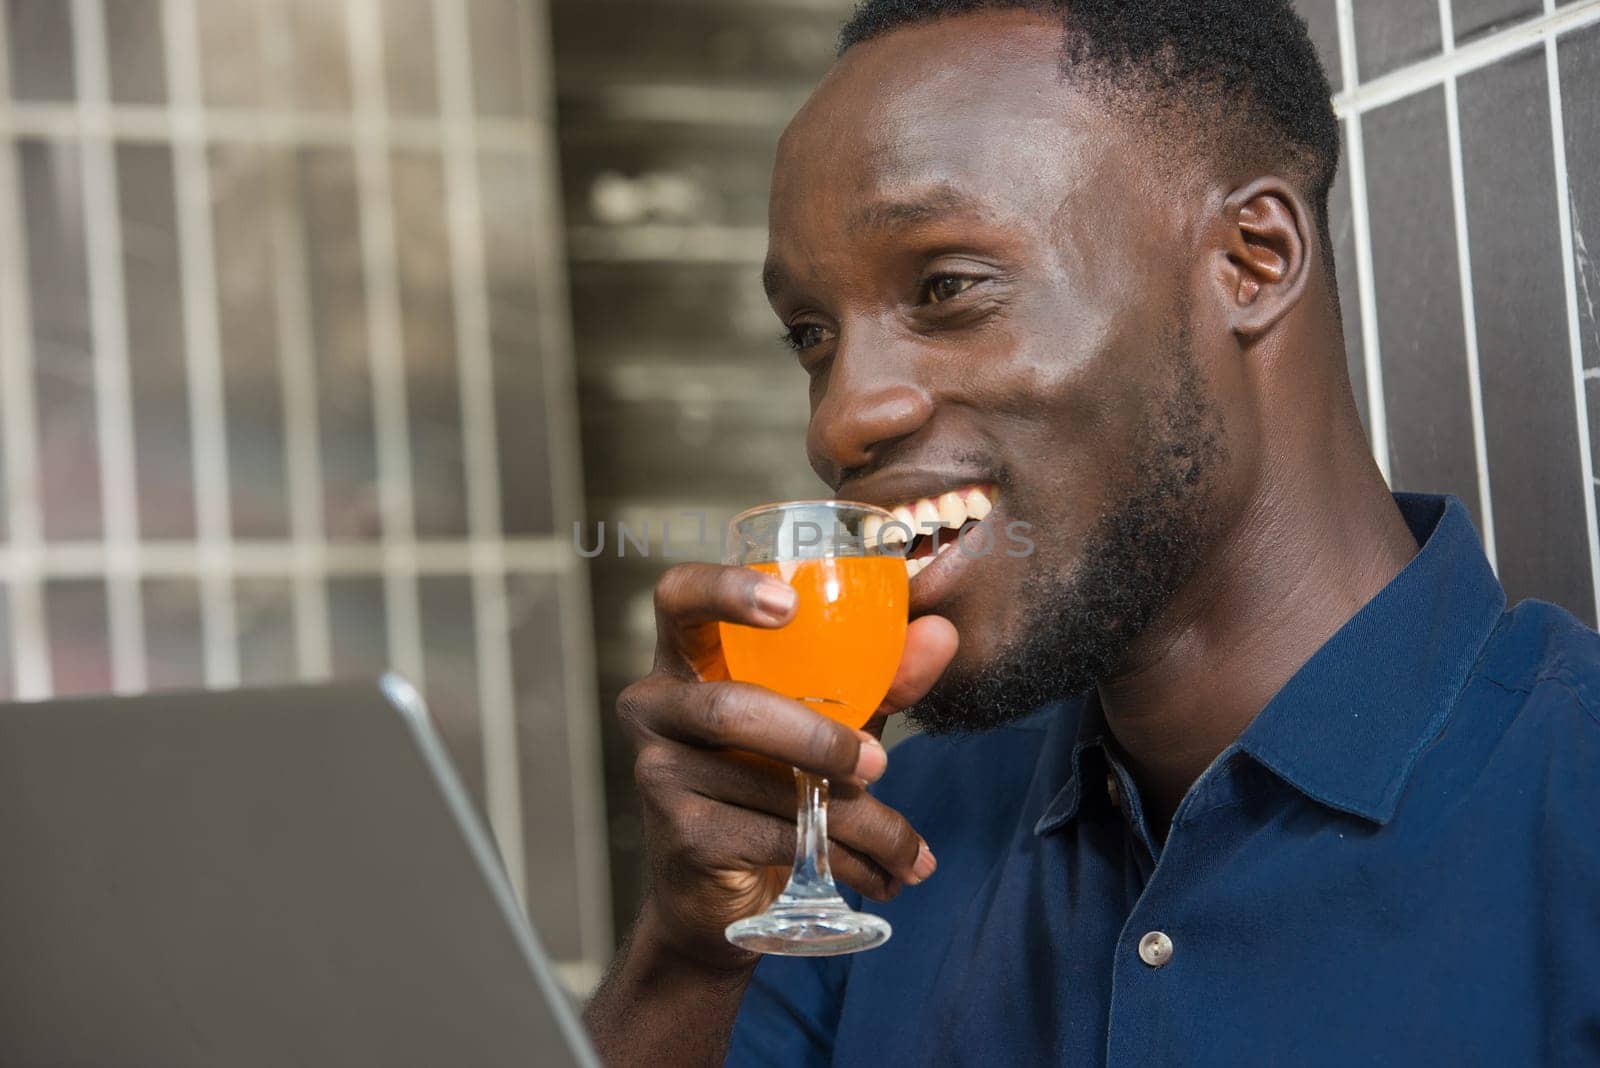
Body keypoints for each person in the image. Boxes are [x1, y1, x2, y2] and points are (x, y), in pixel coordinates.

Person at [583, 2, 1600, 1064]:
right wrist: (688, 956)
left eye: (946, 288)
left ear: (1251, 259)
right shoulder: (882, 835)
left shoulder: (1571, 807)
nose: (840, 419)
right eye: (811, 336)